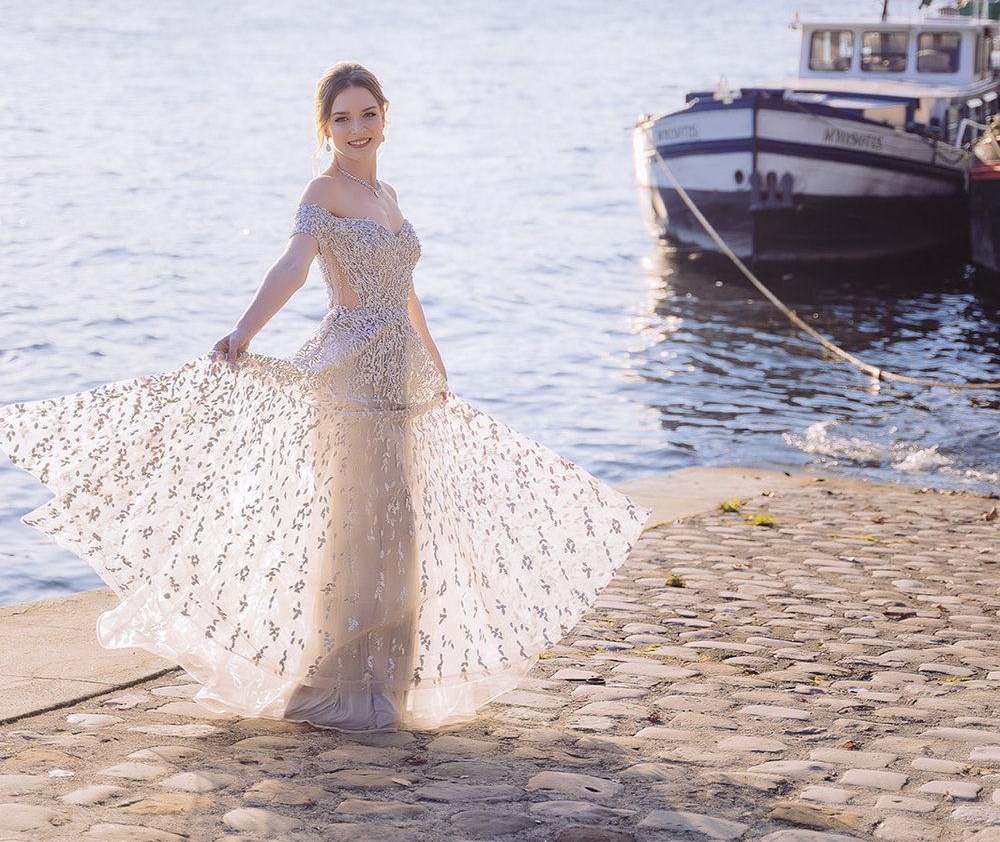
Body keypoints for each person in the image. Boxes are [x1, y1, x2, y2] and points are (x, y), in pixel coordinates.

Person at [0, 61, 648, 731]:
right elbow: (292, 262)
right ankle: (335, 685)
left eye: (367, 114)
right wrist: (245, 329)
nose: (356, 128)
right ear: (325, 126)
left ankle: (385, 686)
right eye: (342, 118)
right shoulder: (324, 190)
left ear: (385, 117)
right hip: (350, 377)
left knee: (400, 532)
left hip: (400, 378)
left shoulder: (390, 195)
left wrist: (433, 355)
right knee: (357, 529)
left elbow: (405, 291)